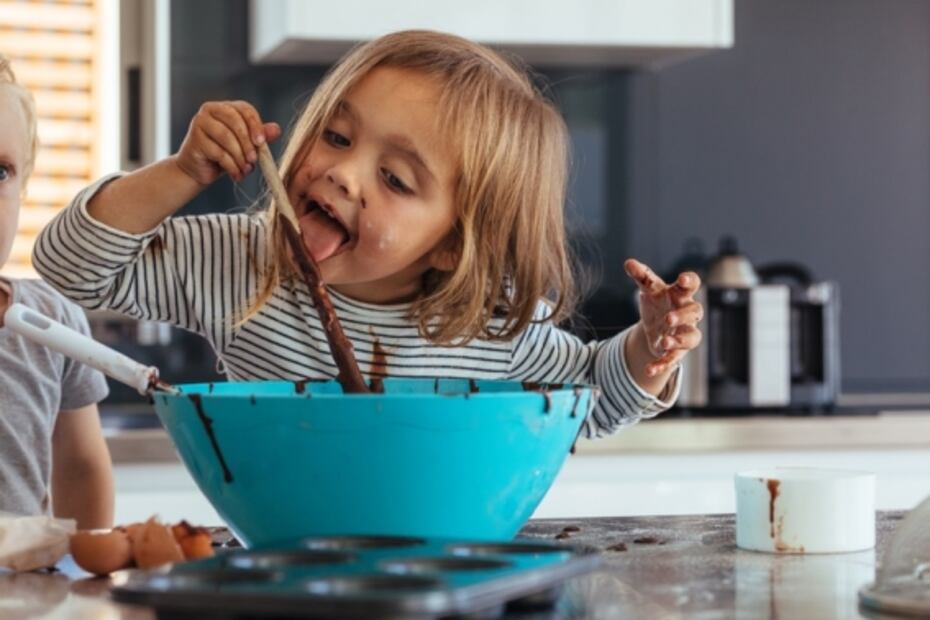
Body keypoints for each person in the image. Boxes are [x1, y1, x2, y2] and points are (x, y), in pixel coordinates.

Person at [33, 30, 702, 438]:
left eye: (396, 179)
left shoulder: (484, 323)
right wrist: (181, 173)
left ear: (450, 243)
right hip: (283, 567)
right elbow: (71, 268)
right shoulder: (244, 264)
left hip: (442, 570)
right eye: (336, 135)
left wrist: (651, 348)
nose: (343, 174)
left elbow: (591, 398)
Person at [0, 56, 113, 527]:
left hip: (24, 594)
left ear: (24, 187)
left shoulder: (54, 322)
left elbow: (82, 468)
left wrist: (86, 574)